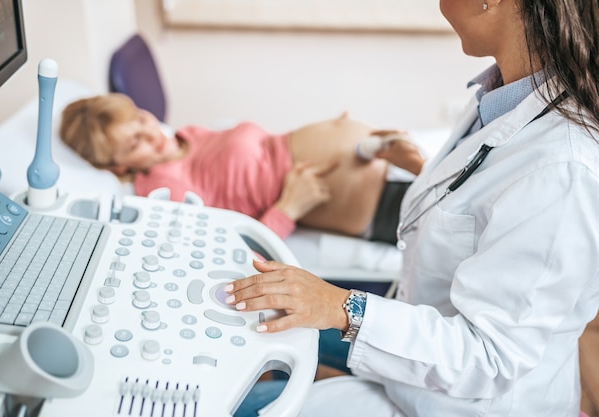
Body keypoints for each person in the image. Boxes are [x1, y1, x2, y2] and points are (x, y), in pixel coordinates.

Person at [226, 0, 599, 416]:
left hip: (462, 401)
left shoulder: (564, 169)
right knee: (256, 321)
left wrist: (338, 306)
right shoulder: (506, 94)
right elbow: (497, 193)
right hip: (417, 358)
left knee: (230, 405)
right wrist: (436, 177)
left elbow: (490, 358)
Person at [59, 93, 424, 242]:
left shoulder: (189, 135)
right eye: (134, 142)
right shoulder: (163, 191)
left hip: (387, 166)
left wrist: (336, 134)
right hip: (375, 207)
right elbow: (227, 251)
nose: (151, 133)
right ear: (117, 164)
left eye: (140, 119)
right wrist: (287, 209)